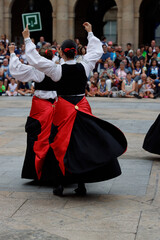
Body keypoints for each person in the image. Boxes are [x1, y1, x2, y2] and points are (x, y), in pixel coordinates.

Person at [23, 22, 127, 196]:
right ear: (76, 52)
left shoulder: (57, 70)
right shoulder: (84, 66)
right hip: (82, 107)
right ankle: (81, 184)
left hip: (64, 109)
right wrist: (91, 34)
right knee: (83, 144)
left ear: (62, 53)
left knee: (59, 145)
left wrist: (27, 39)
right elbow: (96, 52)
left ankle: (59, 185)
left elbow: (36, 60)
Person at [9, 45, 58, 182]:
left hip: (41, 107)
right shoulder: (58, 68)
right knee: (55, 136)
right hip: (55, 105)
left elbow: (16, 69)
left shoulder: (36, 71)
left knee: (37, 136)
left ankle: (37, 171)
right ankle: (56, 171)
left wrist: (13, 54)